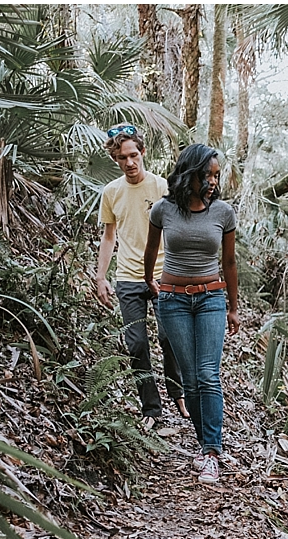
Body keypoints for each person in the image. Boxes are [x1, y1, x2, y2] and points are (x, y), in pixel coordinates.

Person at [144, 144, 239, 484]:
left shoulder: (223, 213)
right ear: (190, 172)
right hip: (173, 301)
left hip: (211, 298)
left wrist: (233, 307)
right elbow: (151, 251)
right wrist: (149, 282)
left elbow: (229, 262)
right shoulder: (163, 210)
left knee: (207, 375)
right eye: (207, 174)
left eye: (216, 175)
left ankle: (212, 452)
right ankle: (205, 446)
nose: (213, 181)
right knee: (191, 379)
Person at [95, 122, 188, 428]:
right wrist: (100, 277)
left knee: (169, 337)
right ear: (115, 160)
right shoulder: (111, 192)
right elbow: (109, 237)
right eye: (123, 158)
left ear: (143, 152)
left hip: (164, 275)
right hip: (129, 278)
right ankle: (151, 408)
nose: (130, 162)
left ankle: (178, 392)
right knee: (136, 344)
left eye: (134, 155)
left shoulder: (162, 187)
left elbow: (178, 229)